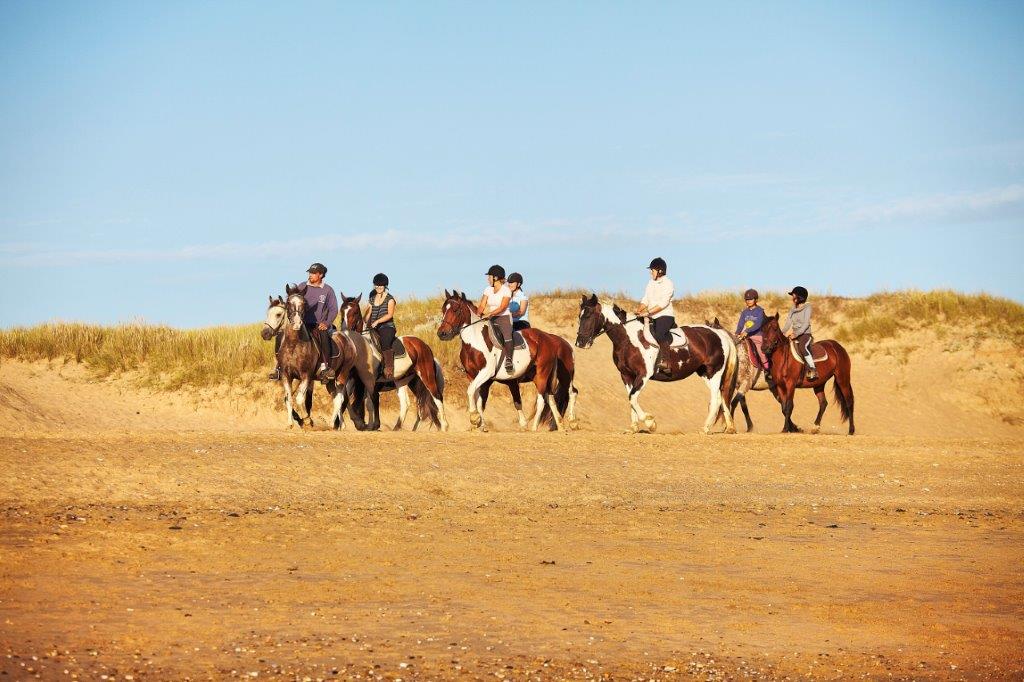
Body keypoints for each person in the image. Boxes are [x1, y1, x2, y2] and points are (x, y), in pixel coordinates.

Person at [268, 263, 339, 382]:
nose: (310, 275)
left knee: (324, 335)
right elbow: (291, 301)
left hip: (318, 324)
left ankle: (325, 368)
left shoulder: (328, 290)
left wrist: (327, 323)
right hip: (301, 323)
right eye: (309, 273)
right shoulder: (302, 286)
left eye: (313, 273)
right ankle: (278, 368)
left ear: (321, 275)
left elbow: (333, 309)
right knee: (280, 335)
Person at [636, 257, 676, 375]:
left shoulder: (668, 283)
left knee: (659, 334)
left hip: (665, 316)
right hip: (651, 316)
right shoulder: (650, 283)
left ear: (660, 271)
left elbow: (663, 303)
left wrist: (648, 312)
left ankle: (666, 362)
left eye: (652, 270)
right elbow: (646, 299)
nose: (650, 272)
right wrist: (638, 310)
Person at [477, 264, 516, 374]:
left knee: (507, 336)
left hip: (504, 318)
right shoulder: (487, 289)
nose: (488, 279)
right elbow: (482, 305)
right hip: (491, 318)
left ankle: (509, 360)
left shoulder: (506, 290)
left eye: (489, 277)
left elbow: (502, 307)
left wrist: (489, 314)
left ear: (496, 278)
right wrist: (478, 313)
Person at [365, 273, 398, 380]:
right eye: (377, 285)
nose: (379, 287)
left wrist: (378, 321)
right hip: (373, 328)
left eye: (381, 285)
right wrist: (365, 320)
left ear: (385, 286)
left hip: (387, 327)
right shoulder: (371, 299)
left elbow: (390, 315)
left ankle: (389, 368)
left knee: (385, 342)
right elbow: (368, 314)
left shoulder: (390, 299)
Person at [781, 285, 817, 380]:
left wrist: (796, 334)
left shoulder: (807, 307)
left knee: (802, 347)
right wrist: (781, 332)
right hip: (795, 334)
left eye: (794, 296)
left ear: (800, 297)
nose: (792, 298)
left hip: (805, 334)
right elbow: (788, 323)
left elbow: (806, 324)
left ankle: (812, 368)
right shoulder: (792, 309)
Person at [735, 288, 770, 375]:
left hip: (758, 335)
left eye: (751, 299)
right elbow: (740, 324)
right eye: (747, 299)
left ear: (756, 300)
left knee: (760, 351)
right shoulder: (744, 312)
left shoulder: (760, 311)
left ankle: (767, 369)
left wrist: (747, 331)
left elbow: (758, 324)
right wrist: (737, 333)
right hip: (747, 336)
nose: (748, 301)